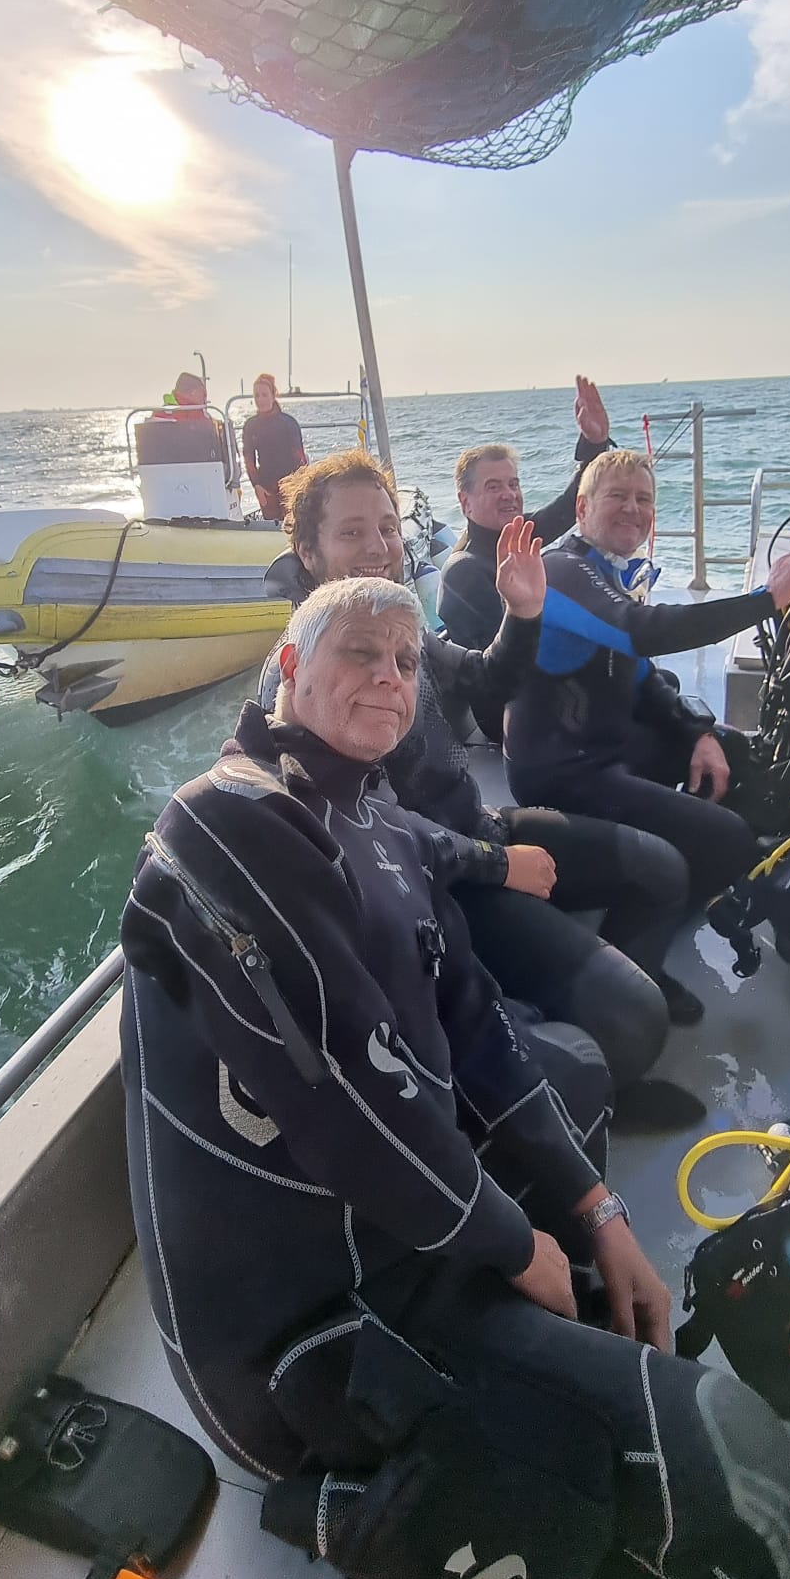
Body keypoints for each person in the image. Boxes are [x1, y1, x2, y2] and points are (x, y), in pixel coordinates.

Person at [120, 575, 790, 1579]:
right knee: (743, 1479)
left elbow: (475, 1027)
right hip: (300, 1332)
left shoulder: (374, 814)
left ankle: (523, 1465)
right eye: (360, 653)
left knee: (576, 1096)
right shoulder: (224, 823)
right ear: (289, 667)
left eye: (405, 661)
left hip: (402, 1238)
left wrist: (597, 1212)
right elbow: (349, 1103)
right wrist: (516, 1242)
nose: (390, 678)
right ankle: (434, 1537)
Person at [261, 448, 708, 1121]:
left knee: (661, 870)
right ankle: (592, 1074)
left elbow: (488, 678)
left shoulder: (397, 623)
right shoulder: (302, 679)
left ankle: (587, 995)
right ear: (307, 552)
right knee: (635, 1020)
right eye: (352, 531)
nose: (378, 546)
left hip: (478, 828)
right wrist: (497, 866)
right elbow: (364, 835)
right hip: (432, 892)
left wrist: (523, 613)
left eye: (388, 527)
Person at [506, 449, 790, 911]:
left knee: (741, 755)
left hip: (611, 746)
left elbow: (642, 675)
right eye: (617, 496)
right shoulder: (558, 571)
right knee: (730, 841)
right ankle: (666, 904)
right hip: (562, 773)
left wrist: (697, 732)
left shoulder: (612, 571)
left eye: (644, 499)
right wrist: (765, 599)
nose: (633, 508)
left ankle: (704, 852)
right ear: (582, 508)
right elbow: (640, 631)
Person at [439, 375, 612, 655]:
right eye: (493, 486)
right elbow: (501, 661)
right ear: (465, 501)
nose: (509, 494)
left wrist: (595, 443)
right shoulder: (465, 572)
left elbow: (566, 507)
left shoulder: (516, 537)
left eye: (513, 484)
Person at [140, 369, 232, 476]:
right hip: (201, 474)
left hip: (164, 476)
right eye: (204, 394)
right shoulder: (200, 417)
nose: (205, 399)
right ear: (194, 392)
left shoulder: (157, 417)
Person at [241, 372, 308, 519]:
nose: (260, 399)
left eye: (264, 395)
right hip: (266, 486)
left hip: (291, 484)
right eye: (257, 395)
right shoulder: (250, 426)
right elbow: (249, 459)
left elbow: (300, 457)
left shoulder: (288, 423)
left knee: (292, 524)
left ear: (273, 395)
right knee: (271, 525)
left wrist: (300, 486)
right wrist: (256, 485)